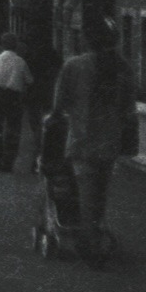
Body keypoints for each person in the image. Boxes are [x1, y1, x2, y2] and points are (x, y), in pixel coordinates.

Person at [51, 21, 136, 267]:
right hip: (110, 142)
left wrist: (58, 117)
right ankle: (97, 237)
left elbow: (59, 105)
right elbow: (128, 109)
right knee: (100, 195)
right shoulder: (123, 68)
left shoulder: (73, 66)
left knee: (87, 198)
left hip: (82, 142)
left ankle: (90, 248)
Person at [0, 32, 32, 172]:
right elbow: (29, 80)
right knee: (13, 129)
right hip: (14, 97)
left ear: (2, 44)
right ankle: (8, 161)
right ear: (15, 45)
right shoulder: (21, 62)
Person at [22, 33, 63, 172]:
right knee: (45, 129)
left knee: (37, 129)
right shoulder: (53, 56)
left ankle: (38, 159)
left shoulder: (30, 57)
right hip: (48, 96)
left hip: (34, 96)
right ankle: (42, 158)